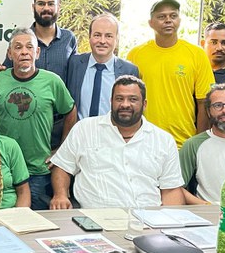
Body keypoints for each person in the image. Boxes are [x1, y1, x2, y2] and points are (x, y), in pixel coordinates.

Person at [51, 75, 187, 209]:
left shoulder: (163, 140)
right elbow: (62, 166)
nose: (125, 104)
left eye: (133, 99)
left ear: (144, 104)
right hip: (95, 218)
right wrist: (60, 195)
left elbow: (171, 189)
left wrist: (168, 222)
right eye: (119, 99)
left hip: (148, 219)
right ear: (111, 101)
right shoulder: (84, 129)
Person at [0, 28, 76, 210]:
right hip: (3, 168)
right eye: (18, 47)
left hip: (37, 171)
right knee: (0, 221)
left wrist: (61, 149)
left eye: (29, 47)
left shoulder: (52, 81)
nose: (24, 52)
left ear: (37, 52)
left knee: (32, 226)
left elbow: (70, 111)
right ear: (10, 54)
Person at [0, 0, 77, 147]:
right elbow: (6, 78)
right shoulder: (22, 39)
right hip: (28, 122)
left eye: (51, 4)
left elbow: (74, 75)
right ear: (34, 7)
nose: (46, 8)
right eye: (41, 4)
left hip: (59, 122)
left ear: (58, 7)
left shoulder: (69, 39)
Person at [127, 0, 214, 147]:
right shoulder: (136, 55)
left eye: (173, 16)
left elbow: (204, 102)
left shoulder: (196, 55)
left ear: (179, 20)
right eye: (161, 17)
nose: (168, 20)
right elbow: (127, 99)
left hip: (182, 143)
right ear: (150, 23)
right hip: (142, 142)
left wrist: (198, 144)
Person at [66, 13, 139, 120]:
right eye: (97, 35)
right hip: (79, 133)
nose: (102, 41)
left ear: (116, 39)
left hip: (112, 133)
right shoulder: (74, 63)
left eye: (108, 36)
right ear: (89, 36)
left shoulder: (129, 70)